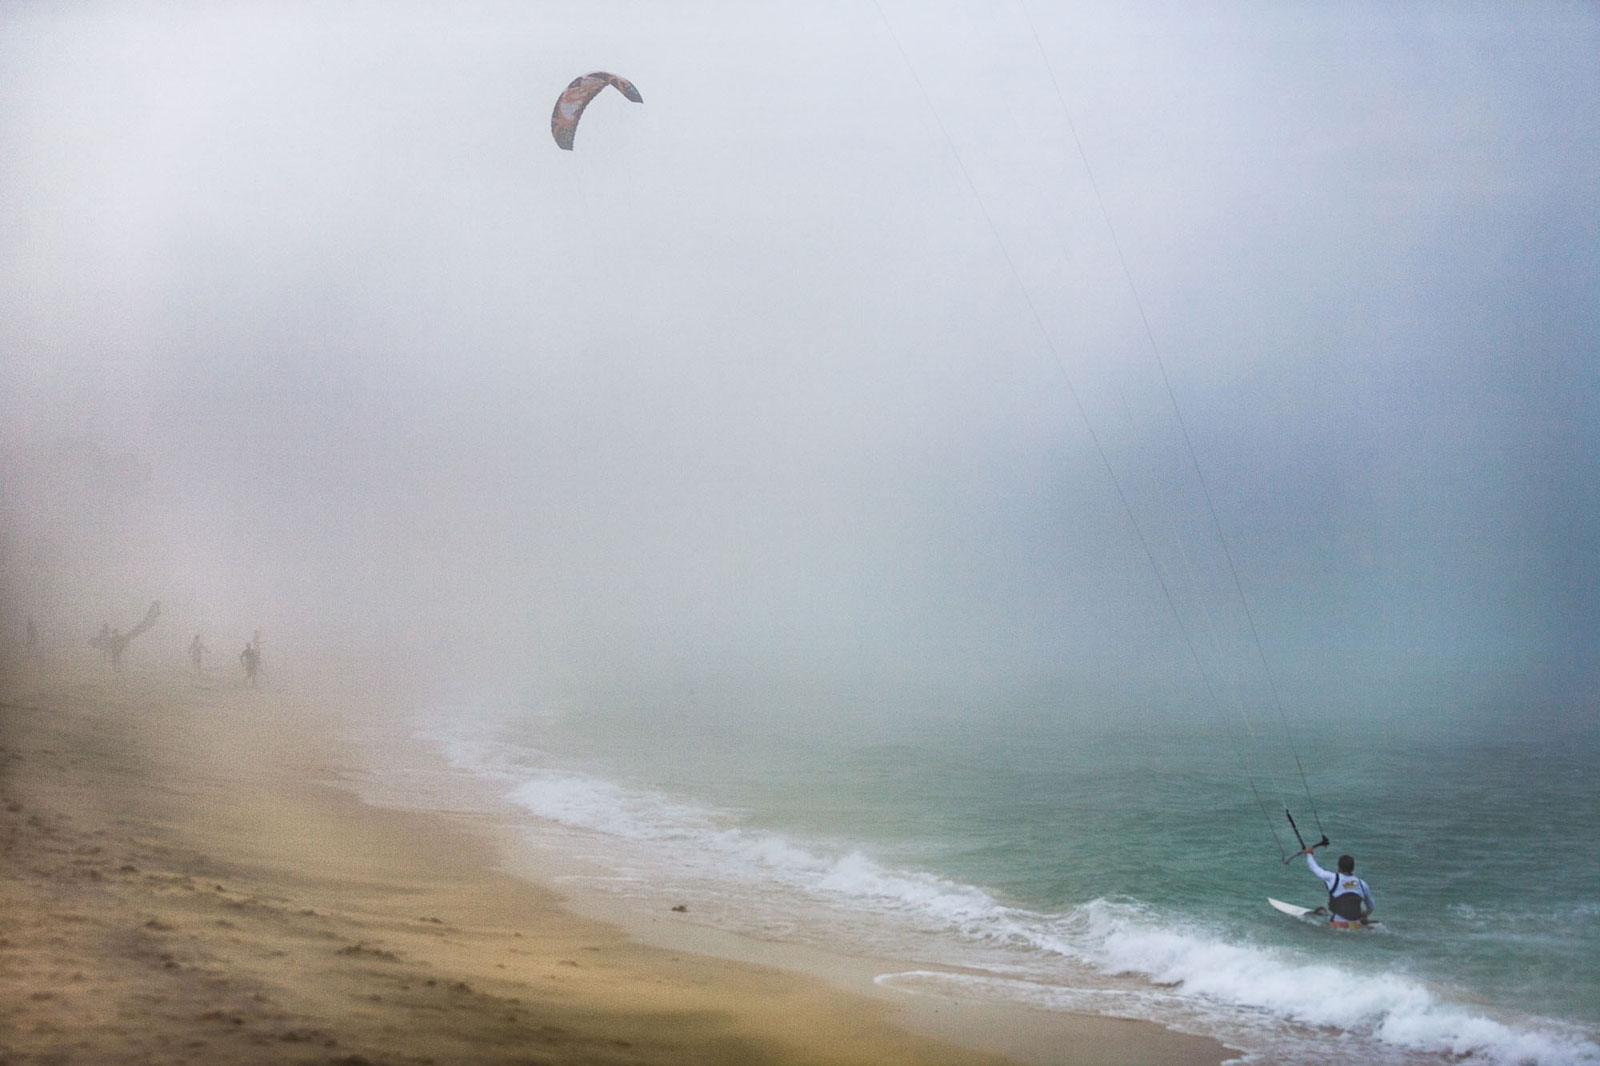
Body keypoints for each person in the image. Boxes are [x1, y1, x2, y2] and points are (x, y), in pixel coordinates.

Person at [1303, 847, 1375, 926]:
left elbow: (1315, 868)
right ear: (1353, 868)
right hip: (1355, 925)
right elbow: (1371, 907)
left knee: (1318, 912)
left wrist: (1309, 854)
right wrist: (1364, 914)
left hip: (1337, 925)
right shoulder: (1362, 884)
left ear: (1338, 867)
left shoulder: (1333, 878)